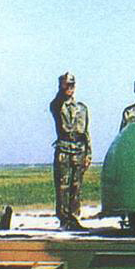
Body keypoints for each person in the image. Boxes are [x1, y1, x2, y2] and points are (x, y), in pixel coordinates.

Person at [49, 72, 91, 230]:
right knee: (62, 186)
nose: (69, 88)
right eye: (66, 85)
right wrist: (61, 89)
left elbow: (86, 132)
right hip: (64, 149)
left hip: (79, 149)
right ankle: (64, 219)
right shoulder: (57, 105)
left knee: (76, 186)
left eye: (72, 85)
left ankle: (74, 218)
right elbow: (57, 103)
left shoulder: (82, 108)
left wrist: (88, 153)